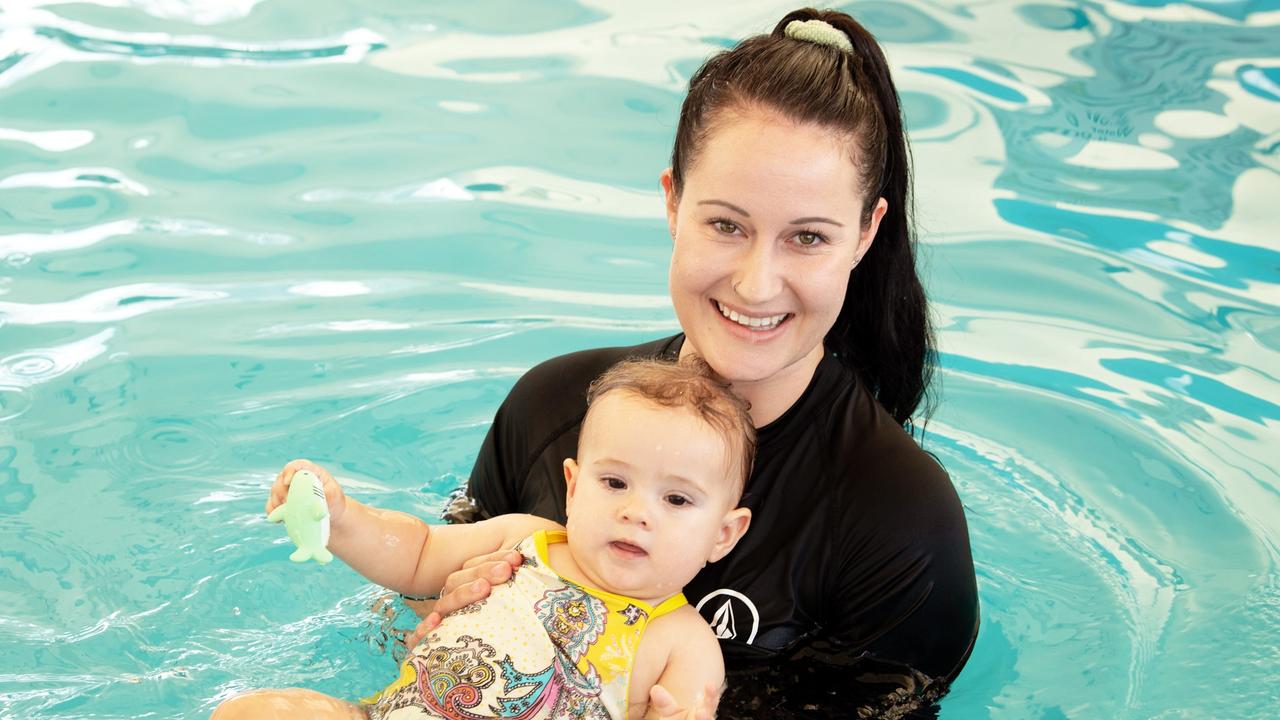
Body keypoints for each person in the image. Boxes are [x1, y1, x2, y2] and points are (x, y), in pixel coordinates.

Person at [416, 8, 980, 718]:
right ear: (672, 200)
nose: (756, 283)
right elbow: (411, 600)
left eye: (807, 237)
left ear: (866, 234)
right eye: (725, 224)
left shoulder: (899, 525)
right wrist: (431, 613)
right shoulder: (552, 409)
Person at [212, 356, 755, 720]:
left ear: (723, 534)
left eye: (677, 500)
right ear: (571, 487)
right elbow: (419, 553)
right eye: (614, 483)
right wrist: (344, 517)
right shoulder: (526, 539)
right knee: (248, 712)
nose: (637, 512)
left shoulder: (687, 644)